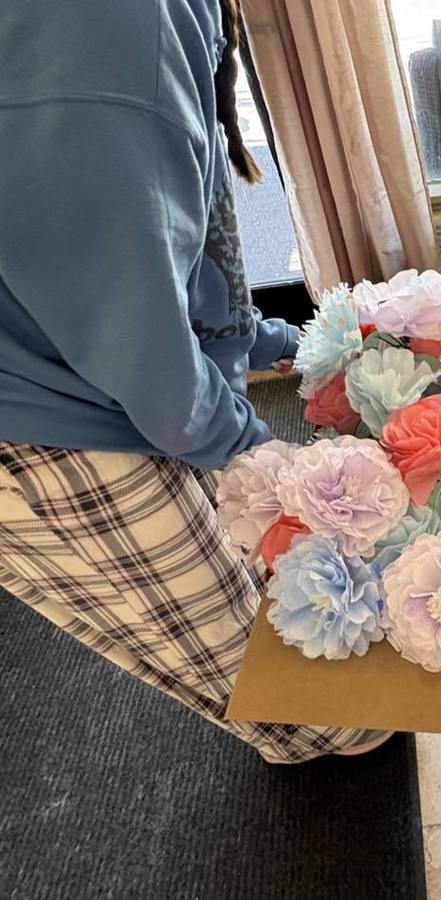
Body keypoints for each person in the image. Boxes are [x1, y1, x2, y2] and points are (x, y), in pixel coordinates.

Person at [0, 0, 390, 760]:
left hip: (94, 372)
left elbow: (180, 249)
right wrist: (265, 459)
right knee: (329, 717)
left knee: (275, 599)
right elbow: (145, 352)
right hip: (44, 418)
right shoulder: (110, 25)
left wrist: (295, 344)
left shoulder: (176, 19)